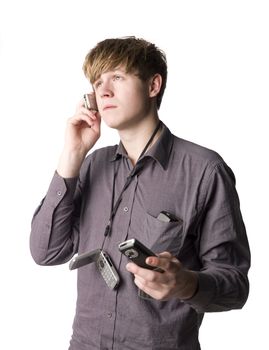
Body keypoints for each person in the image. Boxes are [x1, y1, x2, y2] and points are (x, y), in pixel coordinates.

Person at [30, 36, 250, 350]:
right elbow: (45, 251)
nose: (103, 90)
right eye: (97, 82)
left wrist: (184, 283)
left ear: (153, 85)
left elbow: (235, 286)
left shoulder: (205, 170)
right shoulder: (91, 165)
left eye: (117, 77)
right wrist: (71, 155)